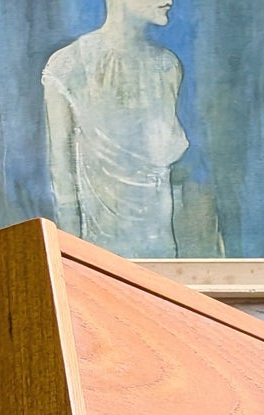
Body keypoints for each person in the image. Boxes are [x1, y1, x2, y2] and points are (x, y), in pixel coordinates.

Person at [42, 0, 189, 258]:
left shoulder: (167, 66)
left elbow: (169, 167)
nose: (170, 0)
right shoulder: (68, 65)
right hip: (97, 248)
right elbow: (61, 173)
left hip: (160, 244)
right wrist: (71, 257)